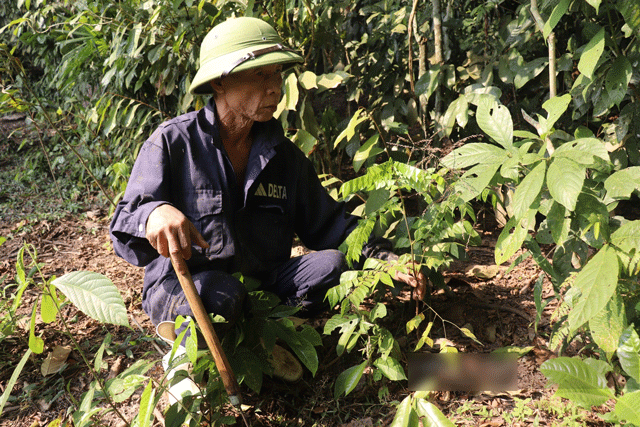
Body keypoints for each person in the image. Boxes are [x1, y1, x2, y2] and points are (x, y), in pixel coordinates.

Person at [109, 17, 426, 343]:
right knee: (221, 294)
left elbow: (332, 226)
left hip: (262, 288)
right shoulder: (174, 142)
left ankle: (267, 338)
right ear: (220, 82)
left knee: (332, 265)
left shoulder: (284, 157)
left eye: (276, 73)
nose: (274, 86)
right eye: (259, 74)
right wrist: (153, 213)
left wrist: (386, 260)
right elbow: (124, 225)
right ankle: (185, 360)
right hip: (187, 287)